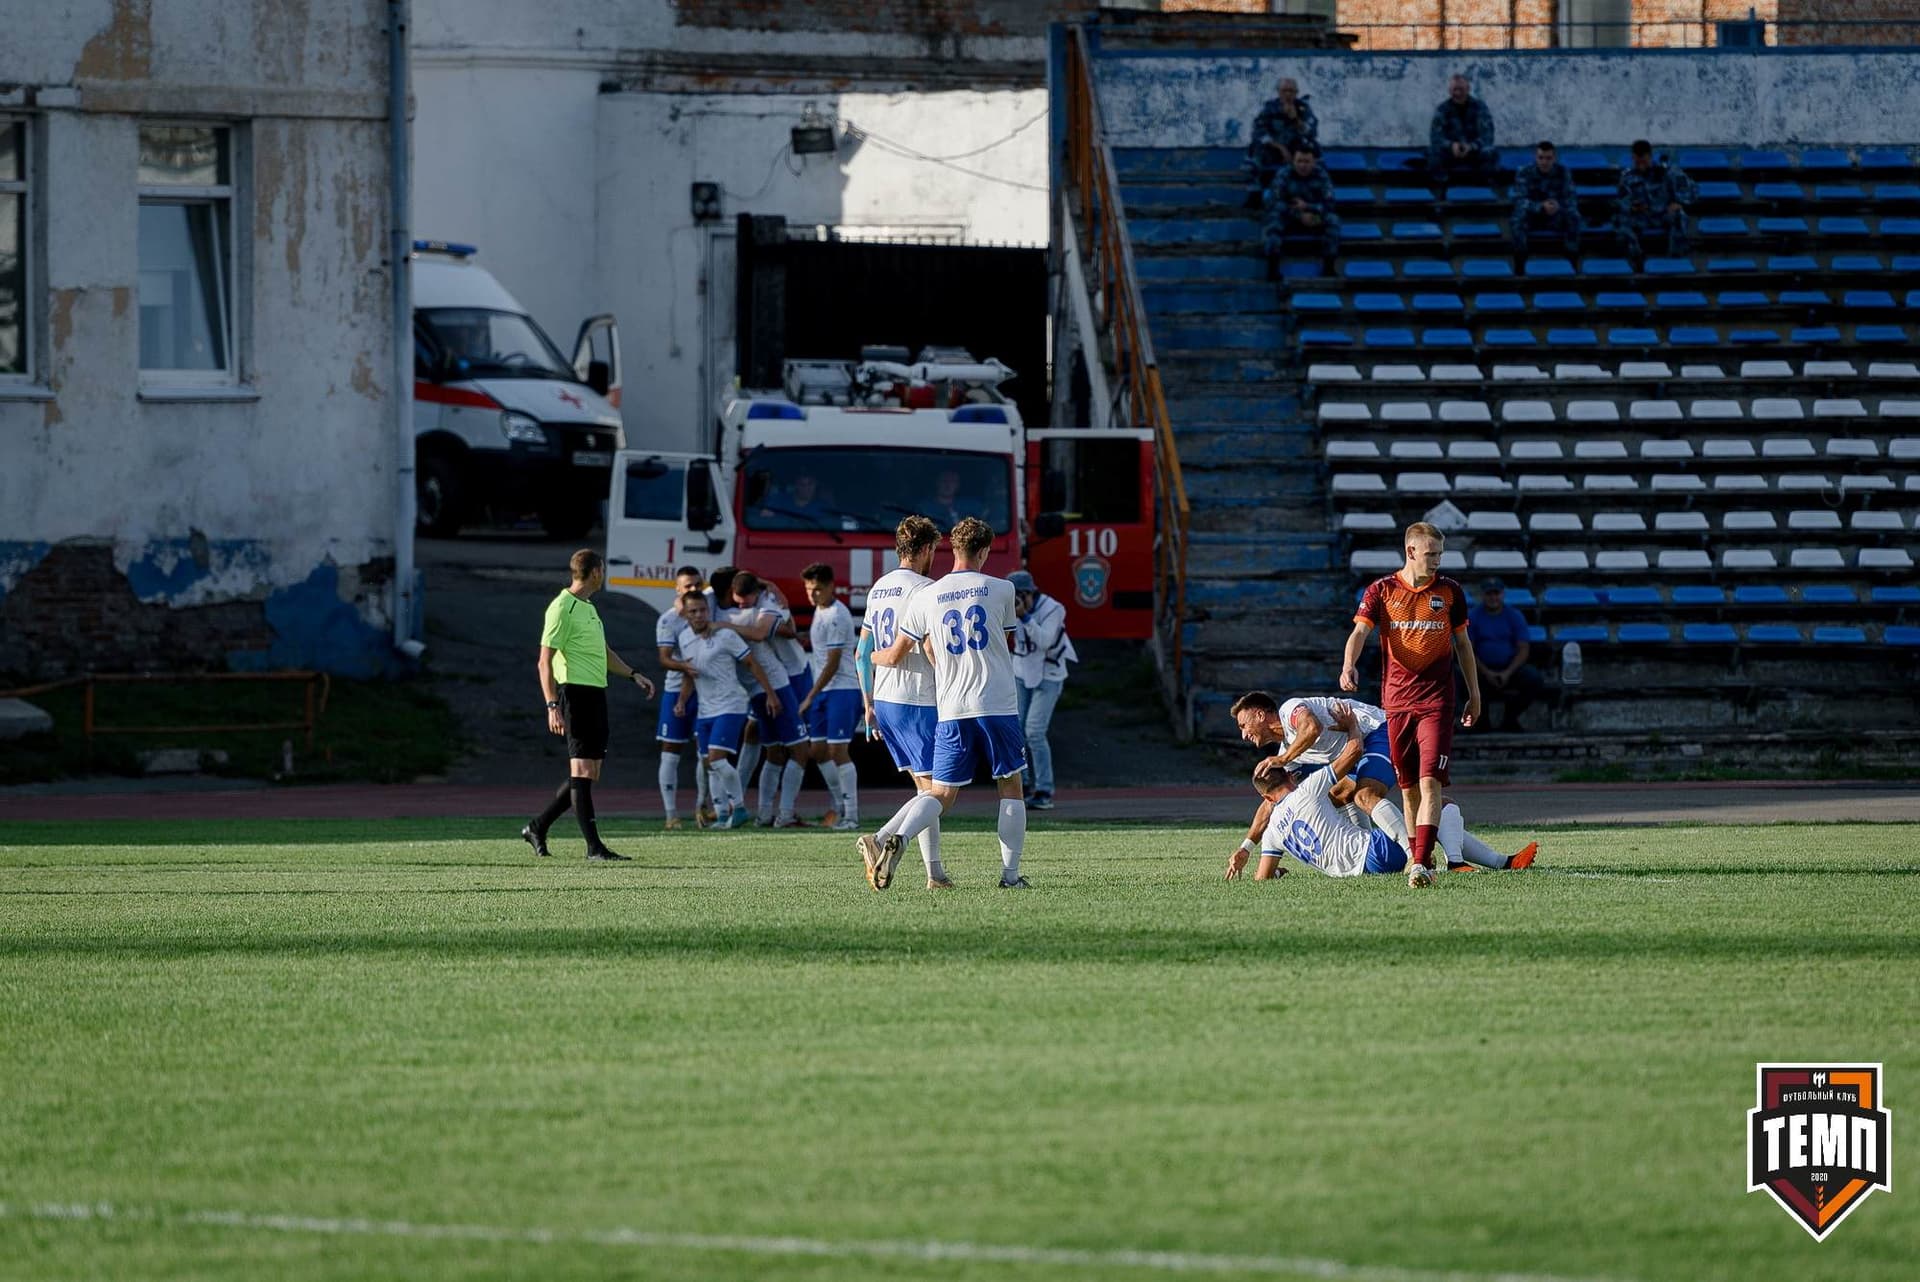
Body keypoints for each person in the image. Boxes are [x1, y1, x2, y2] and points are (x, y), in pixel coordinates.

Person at [860, 517, 1028, 891]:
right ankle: (1010, 877)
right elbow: (1005, 640)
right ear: (984, 551)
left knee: (939, 793)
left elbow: (912, 649)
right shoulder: (1003, 588)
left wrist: (871, 658)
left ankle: (898, 837)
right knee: (1010, 786)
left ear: (952, 548)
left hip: (950, 707)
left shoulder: (926, 595)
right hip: (996, 703)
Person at [1340, 522, 1482, 889]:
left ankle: (1419, 863)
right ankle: (1421, 855)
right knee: (1408, 789)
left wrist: (1475, 693)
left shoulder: (1450, 592)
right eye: (1430, 554)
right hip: (1397, 703)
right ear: (1411, 552)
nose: (1436, 561)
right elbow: (1359, 632)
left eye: (1440, 554)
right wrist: (1349, 664)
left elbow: (1463, 645)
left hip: (1437, 701)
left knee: (1429, 779)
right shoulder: (1382, 590)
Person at [1226, 735, 1537, 882]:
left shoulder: (1272, 833)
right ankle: (1454, 862)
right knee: (1439, 805)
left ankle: (1504, 862)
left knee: (1352, 795)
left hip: (1353, 872)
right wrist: (1351, 725)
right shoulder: (1306, 790)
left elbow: (1262, 878)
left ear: (1267, 799)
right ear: (1290, 776)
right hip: (1376, 852)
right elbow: (1354, 750)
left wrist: (1278, 873)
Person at [524, 548, 657, 862]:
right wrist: (552, 705)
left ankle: (537, 827)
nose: (604, 574)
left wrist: (633, 674)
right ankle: (594, 848)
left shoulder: (588, 607)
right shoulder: (562, 607)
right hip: (575, 695)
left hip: (596, 694)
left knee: (589, 773)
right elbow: (544, 662)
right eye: (604, 570)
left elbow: (604, 651)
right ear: (596, 572)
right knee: (582, 771)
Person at [859, 515, 948, 889]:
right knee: (936, 793)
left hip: (884, 699)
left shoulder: (878, 588)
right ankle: (882, 839)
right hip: (917, 698)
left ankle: (935, 875)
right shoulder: (926, 588)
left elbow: (861, 653)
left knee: (925, 790)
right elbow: (929, 647)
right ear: (926, 549)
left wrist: (868, 706)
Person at [662, 590, 784, 830]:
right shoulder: (684, 638)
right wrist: (682, 700)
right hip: (705, 709)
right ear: (686, 615)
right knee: (708, 762)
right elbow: (689, 672)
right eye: (693, 611)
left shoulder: (725, 635)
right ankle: (721, 814)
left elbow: (751, 663)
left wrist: (770, 693)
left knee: (717, 759)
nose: (699, 615)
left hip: (731, 705)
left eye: (703, 610)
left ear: (708, 611)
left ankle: (738, 809)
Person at [721, 571, 810, 827]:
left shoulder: (768, 604)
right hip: (771, 682)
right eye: (737, 601)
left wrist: (724, 625)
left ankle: (778, 812)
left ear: (754, 594)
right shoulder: (749, 606)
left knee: (796, 747)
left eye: (744, 601)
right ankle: (769, 813)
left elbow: (769, 632)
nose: (741, 606)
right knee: (775, 747)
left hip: (793, 675)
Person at [798, 562, 864, 832]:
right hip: (825, 691)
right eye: (808, 589)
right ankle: (838, 806)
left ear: (830, 587)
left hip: (842, 690)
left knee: (838, 751)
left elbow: (833, 663)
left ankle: (851, 815)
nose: (812, 594)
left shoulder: (837, 614)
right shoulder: (820, 610)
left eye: (817, 589)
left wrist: (810, 696)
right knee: (818, 750)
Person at [1007, 569, 1074, 810]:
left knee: (1034, 731)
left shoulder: (1053, 608)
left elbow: (1045, 641)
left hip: (1048, 674)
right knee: (1016, 730)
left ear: (1029, 593)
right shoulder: (1009, 608)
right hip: (1021, 672)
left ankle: (1044, 790)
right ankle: (1023, 784)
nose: (1015, 601)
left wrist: (1025, 617)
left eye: (1018, 596)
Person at [654, 565, 712, 830]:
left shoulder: (708, 607)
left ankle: (703, 807)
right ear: (677, 589)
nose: (693, 589)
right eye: (687, 585)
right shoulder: (668, 620)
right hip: (676, 690)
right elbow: (664, 658)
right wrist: (687, 667)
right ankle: (671, 814)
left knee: (707, 752)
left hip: (707, 691)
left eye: (697, 584)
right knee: (671, 750)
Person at [1464, 578, 1546, 733]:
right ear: (1483, 595)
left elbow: (1523, 648)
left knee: (1534, 679)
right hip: (1481, 669)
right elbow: (1468, 651)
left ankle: (1510, 718)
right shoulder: (1473, 616)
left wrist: (1507, 672)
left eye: (1496, 593)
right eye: (1489, 594)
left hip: (1510, 668)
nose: (1493, 597)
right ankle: (1480, 722)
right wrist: (1487, 672)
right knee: (1459, 676)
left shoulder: (1514, 615)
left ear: (1502, 594)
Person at [1263, 148, 1339, 281]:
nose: (1303, 165)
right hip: (1290, 217)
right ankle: (1272, 269)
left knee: (1333, 220)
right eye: (1299, 161)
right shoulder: (1284, 174)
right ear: (1293, 161)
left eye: (1307, 161)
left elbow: (1330, 204)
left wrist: (1308, 207)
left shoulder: (1322, 175)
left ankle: (1329, 267)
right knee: (1274, 218)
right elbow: (1273, 202)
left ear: (1314, 162)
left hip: (1314, 218)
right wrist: (1299, 215)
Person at [1615, 139, 1695, 263]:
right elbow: (1621, 199)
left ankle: (1676, 258)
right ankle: (1636, 259)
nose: (1641, 165)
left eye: (1644, 161)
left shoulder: (1667, 172)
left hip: (1664, 214)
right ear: (1633, 158)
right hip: (1641, 216)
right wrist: (1631, 207)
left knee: (1679, 215)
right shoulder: (1628, 177)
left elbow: (1691, 189)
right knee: (1620, 220)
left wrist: (1679, 202)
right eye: (1637, 162)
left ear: (1650, 157)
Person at [1244, 77, 1319, 209]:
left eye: (1291, 91)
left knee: (1313, 150)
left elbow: (1311, 132)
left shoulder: (1303, 108)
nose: (1288, 94)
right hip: (1274, 150)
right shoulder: (1270, 108)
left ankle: (1310, 194)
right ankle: (1255, 195)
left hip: (1296, 151)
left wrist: (1296, 119)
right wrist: (1280, 148)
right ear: (1278, 92)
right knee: (1255, 150)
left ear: (1296, 92)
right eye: (1284, 91)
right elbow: (1258, 131)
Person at [1511, 140, 1581, 262]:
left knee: (1574, 216)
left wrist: (1558, 206)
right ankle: (1520, 263)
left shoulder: (1563, 172)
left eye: (1548, 158)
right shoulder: (1524, 172)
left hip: (1556, 215)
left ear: (1554, 158)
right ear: (1535, 157)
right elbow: (1519, 200)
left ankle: (1572, 260)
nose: (1544, 162)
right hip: (1533, 216)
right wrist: (1541, 206)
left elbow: (1571, 198)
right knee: (1517, 218)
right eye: (1541, 158)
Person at [1427, 73, 1496, 187]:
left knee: (1490, 152)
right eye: (1455, 89)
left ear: (1468, 89)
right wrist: (1451, 145)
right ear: (1450, 91)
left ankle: (1483, 185)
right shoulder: (1442, 109)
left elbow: (1488, 135)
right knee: (1433, 152)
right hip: (1450, 152)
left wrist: (1471, 146)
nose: (1458, 93)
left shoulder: (1480, 107)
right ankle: (1440, 186)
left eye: (1461, 89)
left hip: (1474, 151)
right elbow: (1435, 137)